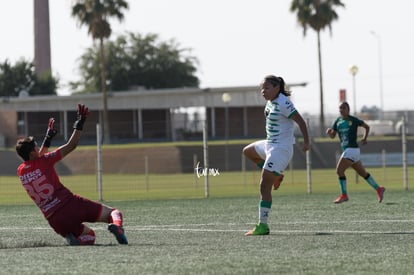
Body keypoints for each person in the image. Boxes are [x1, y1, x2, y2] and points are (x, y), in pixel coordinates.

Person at [16, 104, 128, 245]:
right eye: (36, 146)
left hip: (54, 220)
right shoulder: (44, 161)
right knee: (113, 213)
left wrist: (48, 138)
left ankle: (74, 240)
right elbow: (71, 145)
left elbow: (38, 158)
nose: (39, 148)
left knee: (90, 235)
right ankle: (118, 228)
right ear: (32, 152)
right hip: (70, 205)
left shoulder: (21, 170)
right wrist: (79, 123)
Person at [244, 75, 310, 236]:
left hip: (281, 148)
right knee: (248, 151)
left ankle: (263, 226)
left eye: (266, 88)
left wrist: (307, 142)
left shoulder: (284, 103)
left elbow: (301, 122)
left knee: (264, 186)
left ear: (277, 88)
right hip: (270, 144)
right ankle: (276, 176)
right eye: (262, 88)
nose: (263, 91)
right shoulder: (270, 102)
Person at [326, 101, 385, 204]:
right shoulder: (337, 121)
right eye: (340, 108)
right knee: (363, 174)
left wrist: (365, 138)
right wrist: (329, 133)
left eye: (343, 108)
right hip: (350, 152)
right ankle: (378, 189)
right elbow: (333, 136)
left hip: (352, 150)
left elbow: (367, 127)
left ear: (348, 110)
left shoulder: (353, 120)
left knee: (339, 171)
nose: (341, 110)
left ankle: (344, 195)